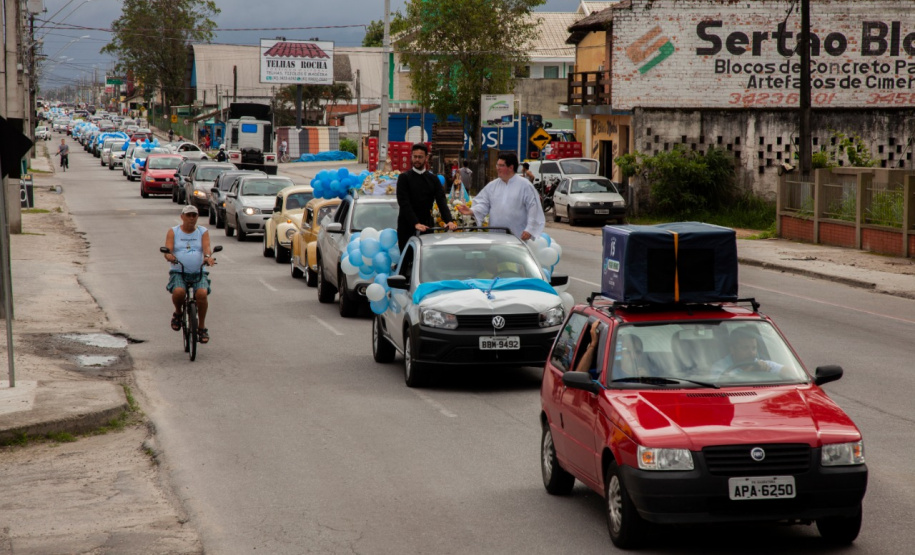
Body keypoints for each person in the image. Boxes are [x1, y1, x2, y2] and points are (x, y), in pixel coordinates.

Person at [455, 152, 544, 241]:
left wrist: (529, 229)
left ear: (511, 167)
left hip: (517, 237)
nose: (497, 168)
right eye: (497, 165)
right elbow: (483, 204)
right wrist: (471, 211)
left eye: (501, 165)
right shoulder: (492, 186)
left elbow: (534, 209)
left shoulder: (525, 186)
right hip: (495, 238)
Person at [163, 205, 215, 344]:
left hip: (198, 271)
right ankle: (178, 313)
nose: (191, 218)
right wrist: (169, 256)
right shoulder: (173, 231)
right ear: (182, 217)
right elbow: (168, 249)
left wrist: (208, 257)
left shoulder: (202, 231)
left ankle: (201, 327)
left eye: (194, 215)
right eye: (188, 215)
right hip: (179, 271)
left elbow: (206, 248)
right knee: (179, 292)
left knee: (202, 294)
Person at [395, 143, 457, 250]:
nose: (417, 160)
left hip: (427, 225)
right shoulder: (403, 178)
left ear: (426, 158)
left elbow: (441, 201)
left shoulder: (433, 179)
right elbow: (404, 203)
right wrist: (415, 223)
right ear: (411, 157)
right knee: (406, 260)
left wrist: (449, 221)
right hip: (407, 225)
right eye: (415, 157)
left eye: (420, 157)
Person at [710, 327, 783, 378]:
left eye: (754, 348)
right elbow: (720, 386)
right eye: (745, 348)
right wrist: (749, 372)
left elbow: (790, 372)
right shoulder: (719, 368)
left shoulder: (759, 364)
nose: (751, 353)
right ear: (732, 349)